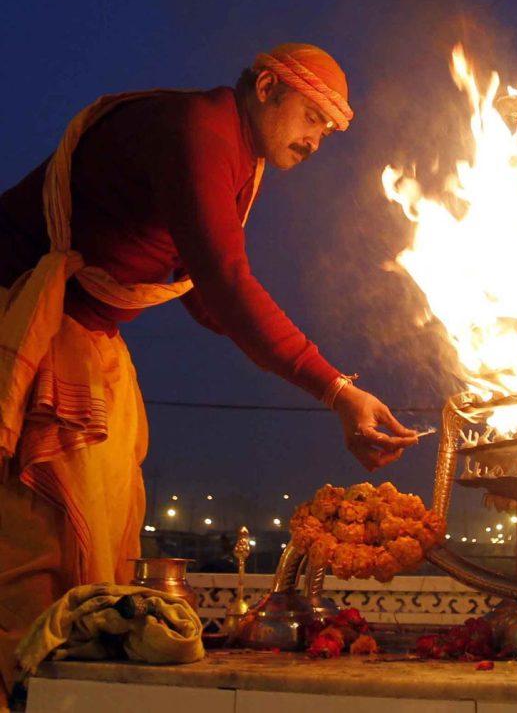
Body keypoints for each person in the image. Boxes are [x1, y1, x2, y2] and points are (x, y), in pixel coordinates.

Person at [0, 42, 417, 699]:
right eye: (310, 117)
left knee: (104, 546)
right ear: (268, 87)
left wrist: (313, 365)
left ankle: (68, 695)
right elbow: (224, 287)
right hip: (24, 318)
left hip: (89, 337)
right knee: (43, 544)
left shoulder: (238, 162)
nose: (315, 141)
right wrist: (333, 386)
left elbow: (204, 296)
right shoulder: (200, 131)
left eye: (327, 132)